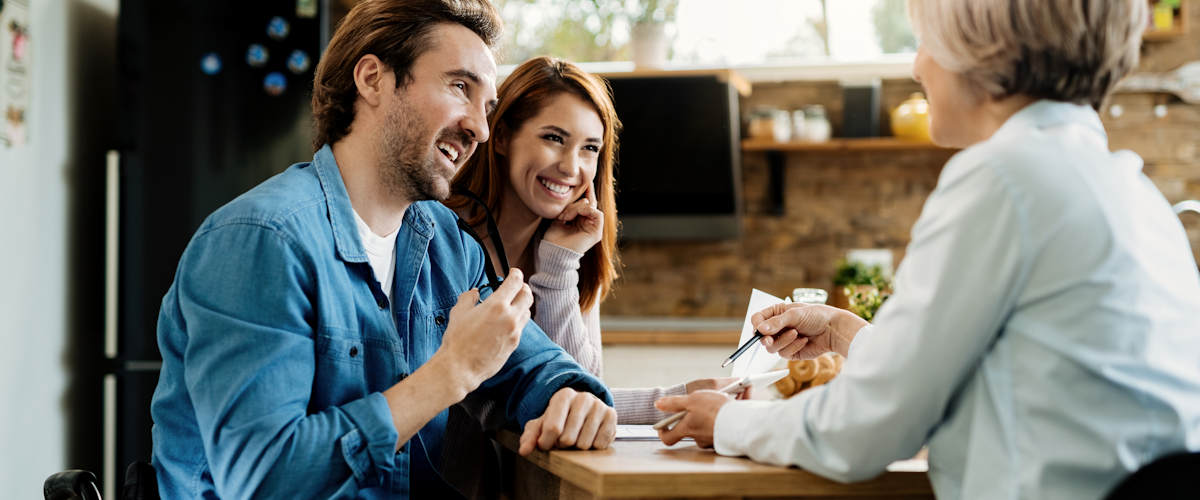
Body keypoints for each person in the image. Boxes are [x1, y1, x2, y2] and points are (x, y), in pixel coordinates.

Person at [655, 1, 1200, 498]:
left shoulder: (1004, 178)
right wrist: (841, 331)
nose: (917, 68)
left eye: (926, 43)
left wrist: (725, 422)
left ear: (982, 48)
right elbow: (966, 373)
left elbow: (867, 429)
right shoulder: (1129, 188)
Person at [149, 1, 617, 497]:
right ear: (373, 79)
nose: (479, 128)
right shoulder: (262, 239)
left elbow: (529, 361)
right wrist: (449, 372)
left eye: (487, 107)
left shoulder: (445, 242)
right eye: (460, 86)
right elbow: (264, 479)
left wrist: (573, 395)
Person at [445, 56, 739, 425]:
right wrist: (672, 401)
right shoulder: (443, 236)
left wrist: (558, 265)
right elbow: (484, 406)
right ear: (501, 136)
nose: (571, 167)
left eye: (590, 148)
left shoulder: (570, 253)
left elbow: (581, 399)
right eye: (554, 138)